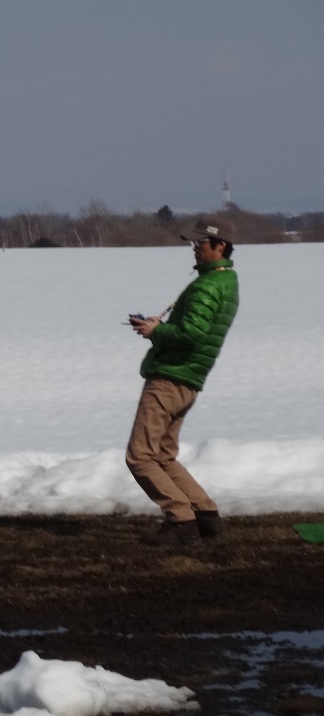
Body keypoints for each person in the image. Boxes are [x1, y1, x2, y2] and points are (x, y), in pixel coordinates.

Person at [126, 216, 240, 545]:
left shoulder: (207, 286)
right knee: (163, 455)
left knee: (140, 456)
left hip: (170, 377)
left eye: (200, 242)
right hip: (188, 379)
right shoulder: (224, 281)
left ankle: (181, 520)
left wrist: (155, 331)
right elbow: (194, 329)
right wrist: (159, 327)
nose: (194, 248)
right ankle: (205, 515)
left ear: (220, 245)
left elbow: (190, 334)